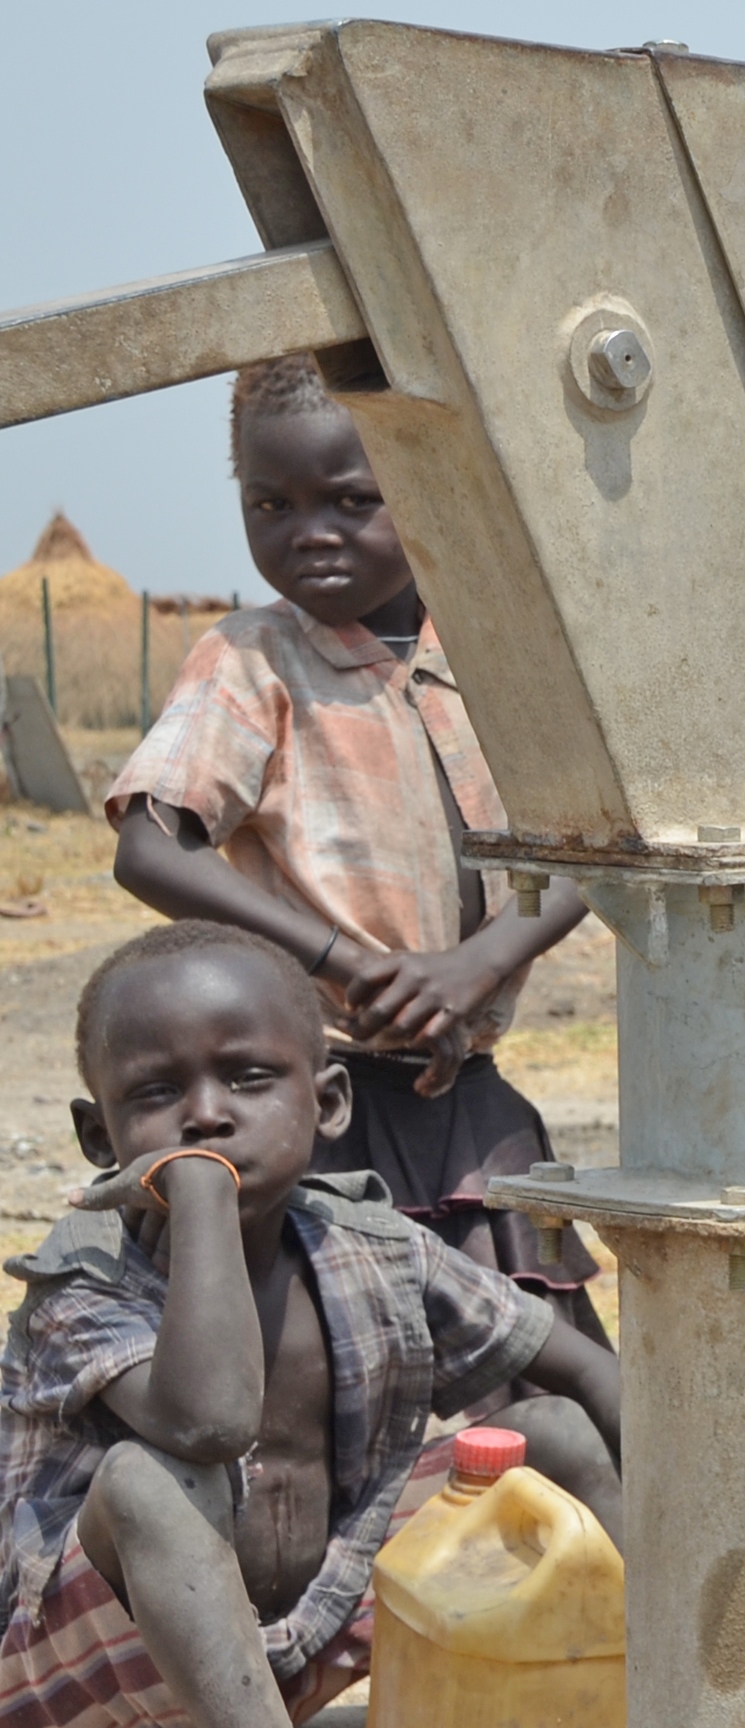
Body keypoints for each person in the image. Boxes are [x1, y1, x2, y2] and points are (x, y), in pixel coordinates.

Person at [0, 924, 623, 1728]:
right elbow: (205, 1419)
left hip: (293, 1650)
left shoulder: (376, 1246)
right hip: (77, 1694)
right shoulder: (83, 1286)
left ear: (327, 1103)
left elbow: (590, 1380)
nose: (206, 1112)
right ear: (100, 1133)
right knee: (152, 1478)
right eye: (159, 1095)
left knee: (553, 1441)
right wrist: (197, 1195)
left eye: (247, 1077)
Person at [107, 356, 604, 1338]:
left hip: (473, 1092)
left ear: (425, 490)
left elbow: (600, 844)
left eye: (351, 500)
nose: (310, 534)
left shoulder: (502, 654)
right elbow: (149, 845)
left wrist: (479, 962)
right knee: (330, 1374)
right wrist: (342, 961)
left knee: (549, 1371)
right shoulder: (254, 661)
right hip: (317, 1097)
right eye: (272, 504)